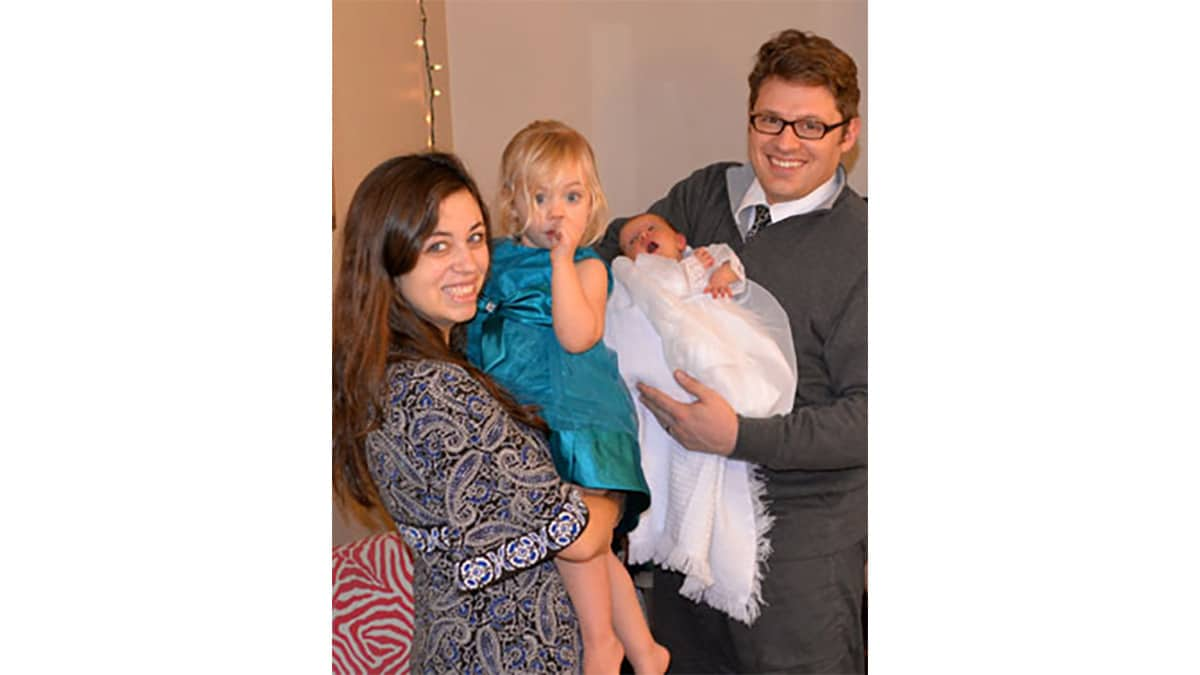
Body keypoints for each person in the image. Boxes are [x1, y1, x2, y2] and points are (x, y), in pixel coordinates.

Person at [596, 29, 867, 674]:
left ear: (847, 135)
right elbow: (620, 256)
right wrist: (628, 233)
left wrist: (738, 435)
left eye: (810, 126)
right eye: (770, 119)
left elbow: (870, 419)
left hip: (797, 566)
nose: (785, 142)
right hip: (686, 538)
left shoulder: (868, 249)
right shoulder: (704, 195)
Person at [332, 152, 617, 674]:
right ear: (389, 258)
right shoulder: (435, 389)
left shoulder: (383, 373)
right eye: (438, 245)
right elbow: (578, 536)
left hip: (450, 646)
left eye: (476, 237)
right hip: (506, 657)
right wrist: (614, 493)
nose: (468, 263)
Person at [464, 120, 669, 675]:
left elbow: (578, 334)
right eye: (541, 196)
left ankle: (602, 643)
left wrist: (559, 262)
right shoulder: (496, 259)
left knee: (575, 535)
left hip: (582, 419)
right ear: (511, 201)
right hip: (526, 421)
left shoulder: (586, 268)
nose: (557, 212)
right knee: (593, 549)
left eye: (571, 197)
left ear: (592, 204)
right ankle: (647, 652)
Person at [605, 212, 798, 625]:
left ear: (679, 238)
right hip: (665, 361)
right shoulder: (632, 277)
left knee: (726, 364)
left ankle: (731, 395)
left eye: (650, 231)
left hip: (711, 337)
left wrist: (724, 277)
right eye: (631, 241)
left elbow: (733, 269)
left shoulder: (701, 261)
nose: (642, 240)